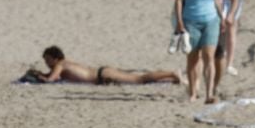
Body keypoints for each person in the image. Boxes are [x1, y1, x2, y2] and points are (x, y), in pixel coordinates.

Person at [171, 0, 225, 103]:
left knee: (209, 57)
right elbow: (179, 0)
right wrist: (180, 23)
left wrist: (222, 18)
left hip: (211, 21)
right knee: (193, 58)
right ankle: (193, 92)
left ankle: (209, 95)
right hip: (191, 22)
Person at [22, 45, 182, 86]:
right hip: (102, 74)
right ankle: (172, 79)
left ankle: (172, 73)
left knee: (138, 80)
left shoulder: (60, 65)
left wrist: (38, 76)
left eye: (47, 60)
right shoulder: (66, 62)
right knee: (138, 81)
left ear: (55, 58)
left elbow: (51, 80)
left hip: (102, 75)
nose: (46, 63)